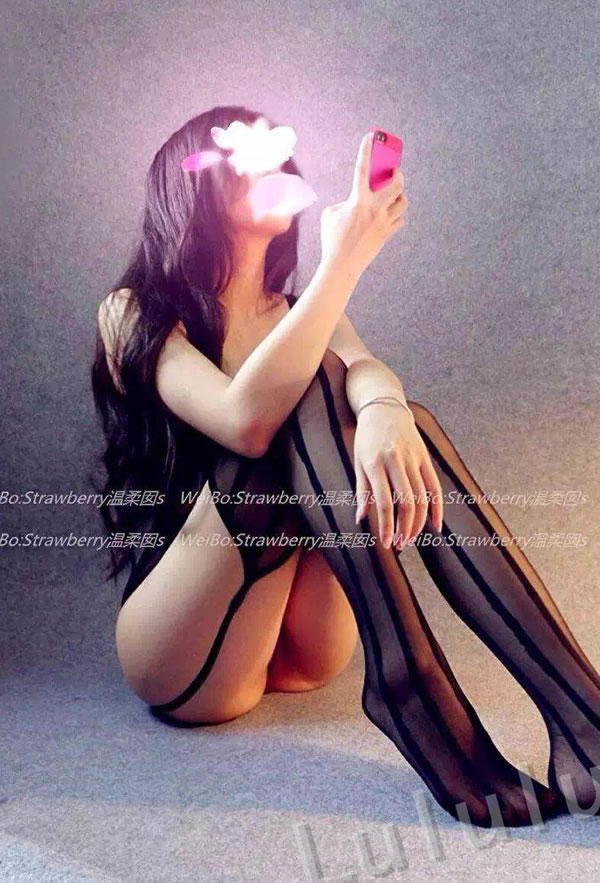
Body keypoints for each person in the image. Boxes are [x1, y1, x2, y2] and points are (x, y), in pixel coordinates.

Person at [91, 105, 600, 828]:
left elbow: (360, 368)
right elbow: (243, 420)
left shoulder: (298, 308)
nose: (272, 169)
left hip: (301, 645)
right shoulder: (133, 311)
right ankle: (413, 683)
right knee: (300, 393)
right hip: (184, 646)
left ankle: (578, 711)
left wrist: (387, 408)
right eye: (246, 157)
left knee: (383, 409)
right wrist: (345, 263)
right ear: (190, 184)